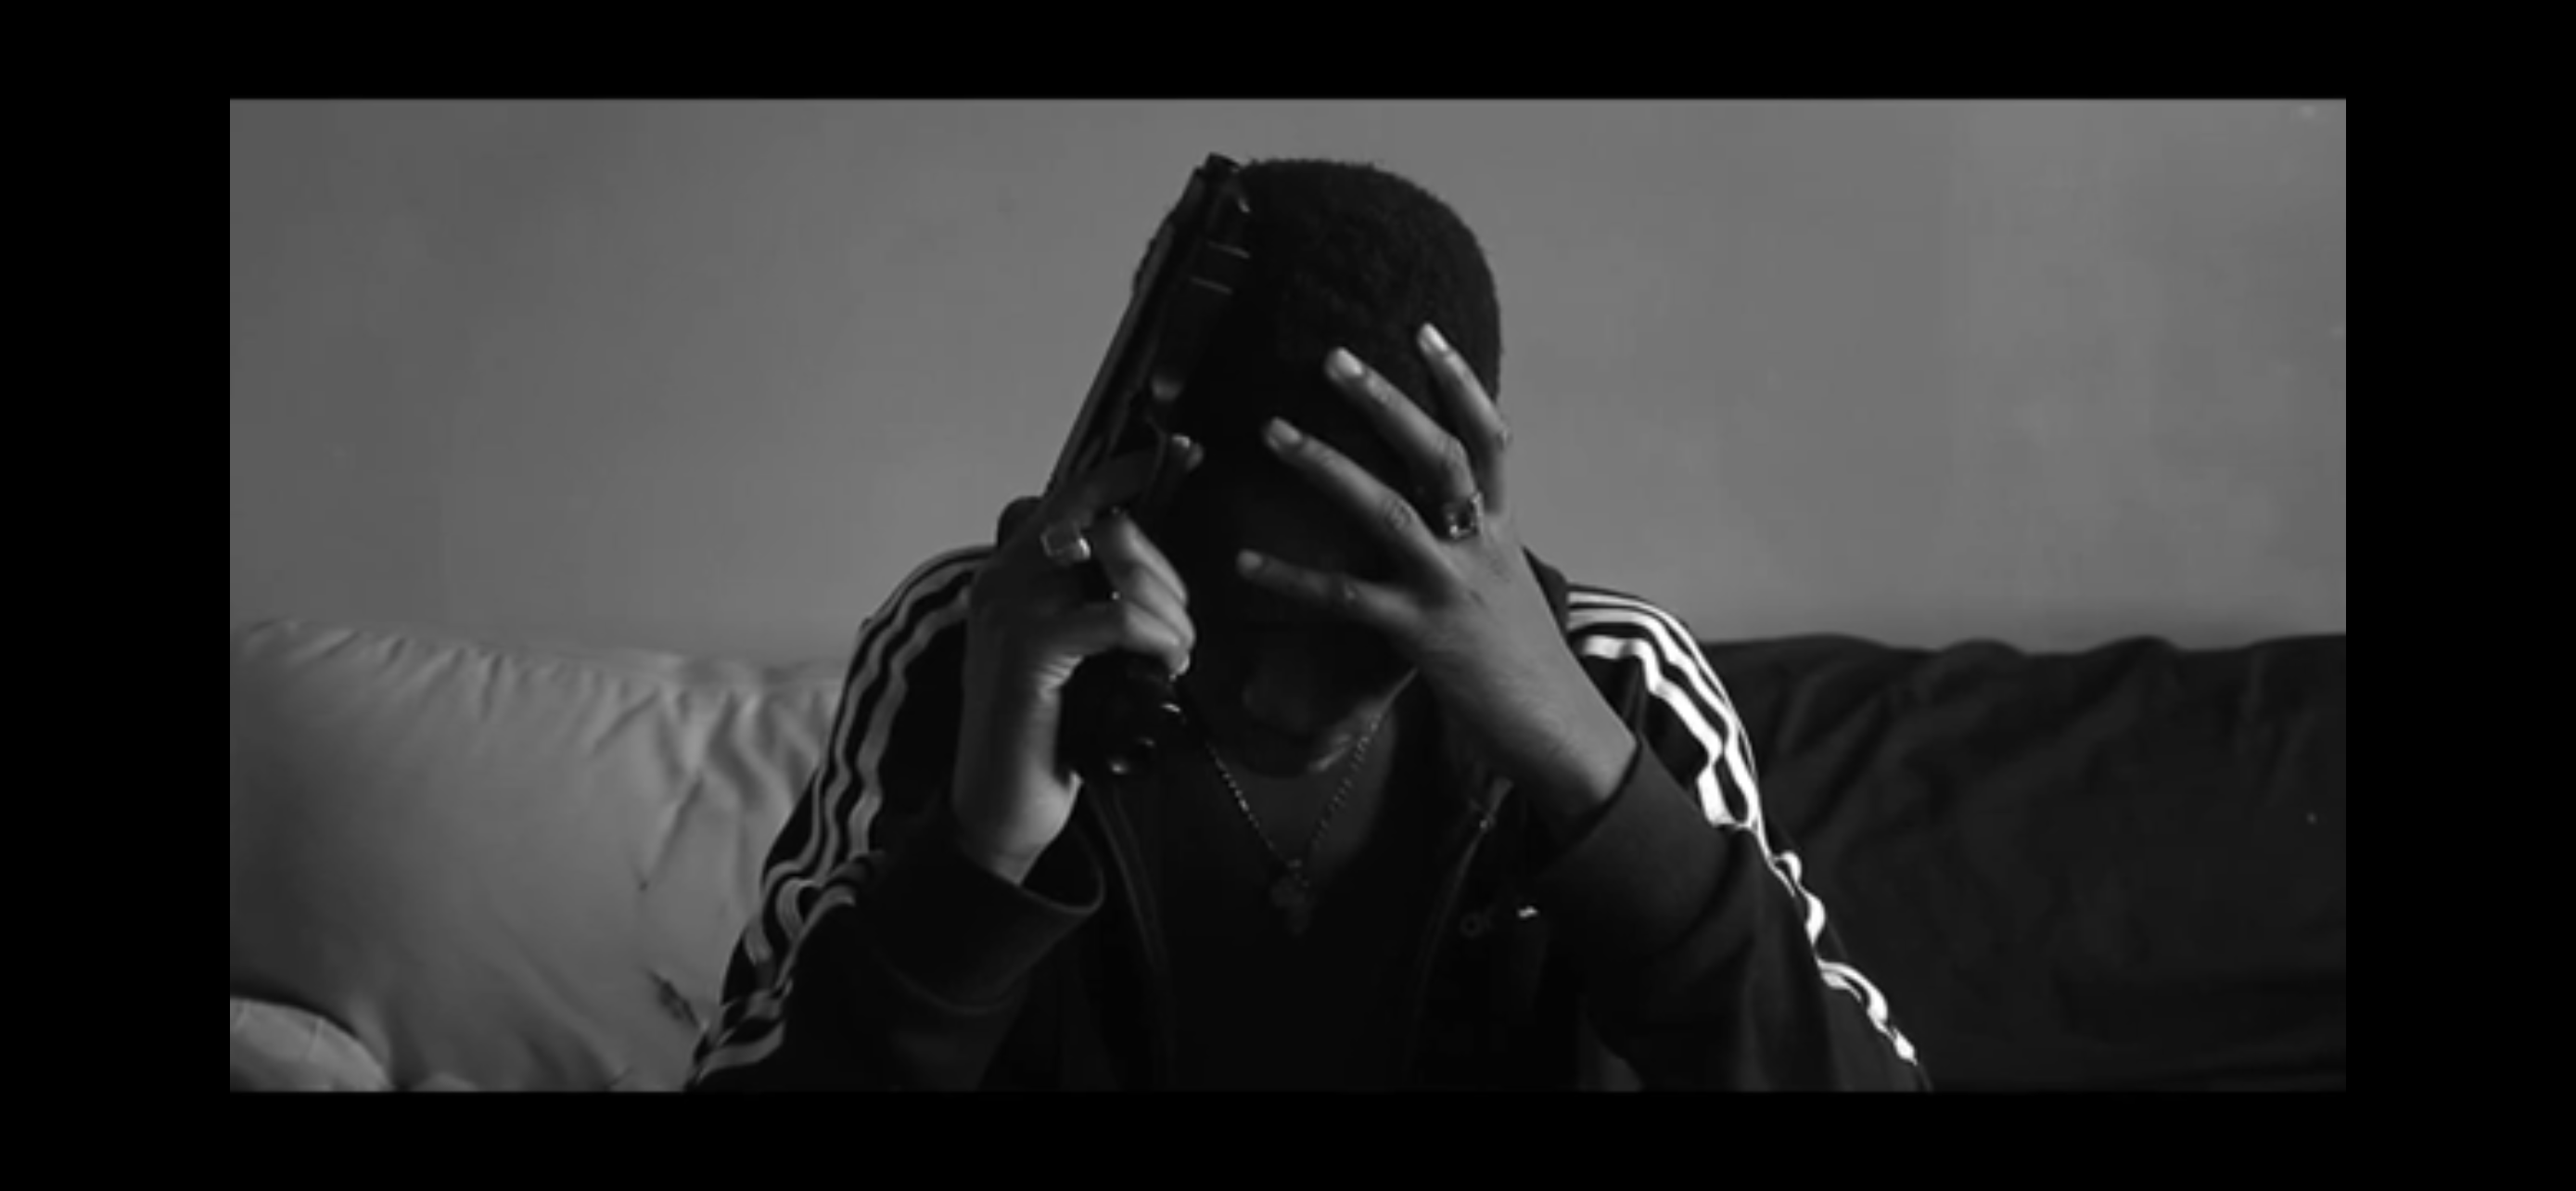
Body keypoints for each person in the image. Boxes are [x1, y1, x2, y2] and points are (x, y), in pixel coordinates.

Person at [685, 158, 1927, 1091]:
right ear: (1131, 505)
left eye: (1365, 621)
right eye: (1237, 609)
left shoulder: (1621, 682)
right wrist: (982, 855)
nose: (1281, 698)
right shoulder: (974, 653)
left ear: (1471, 529)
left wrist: (1588, 771)